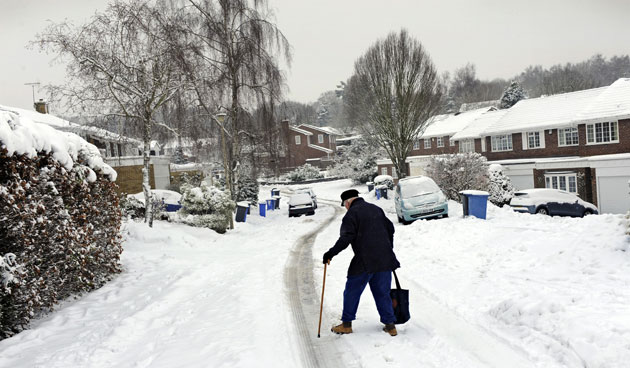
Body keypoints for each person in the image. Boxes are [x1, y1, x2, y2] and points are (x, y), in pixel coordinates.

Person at [323, 189, 400, 337]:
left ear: (347, 202)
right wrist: (387, 248)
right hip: (384, 259)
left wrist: (331, 253)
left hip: (364, 261)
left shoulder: (351, 214)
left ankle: (346, 325)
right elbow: (390, 229)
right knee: (383, 293)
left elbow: (345, 238)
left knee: (352, 292)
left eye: (344, 205)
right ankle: (390, 326)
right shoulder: (376, 209)